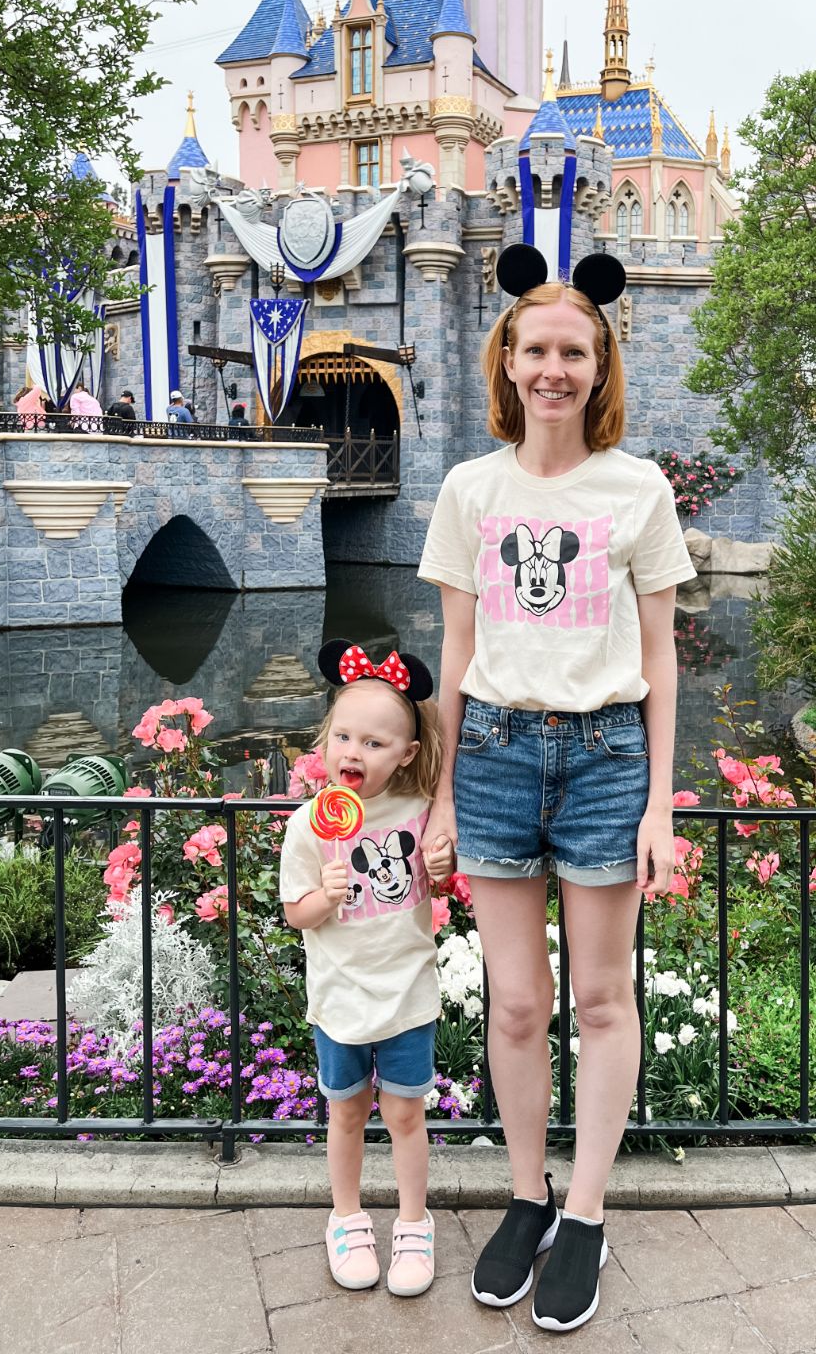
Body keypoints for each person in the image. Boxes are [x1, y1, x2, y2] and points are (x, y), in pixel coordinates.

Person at [417, 243, 695, 1334]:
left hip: (605, 760)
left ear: (600, 364)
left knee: (599, 996)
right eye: (536, 348)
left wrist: (662, 801)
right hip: (489, 754)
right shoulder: (469, 489)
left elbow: (664, 655)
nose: (553, 368)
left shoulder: (637, 488)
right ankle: (525, 1194)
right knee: (518, 1001)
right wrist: (439, 795)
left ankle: (585, 1210)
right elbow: (454, 644)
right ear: (508, 358)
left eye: (573, 350)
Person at [279, 639, 454, 1300]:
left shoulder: (417, 815)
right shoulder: (309, 827)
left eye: (375, 743)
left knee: (407, 1115)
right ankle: (347, 1217)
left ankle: (413, 1222)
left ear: (407, 754)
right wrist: (325, 894)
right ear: (326, 740)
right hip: (341, 998)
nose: (354, 752)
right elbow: (297, 913)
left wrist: (439, 870)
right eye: (344, 736)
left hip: (408, 994)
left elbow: (432, 891)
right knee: (346, 1112)